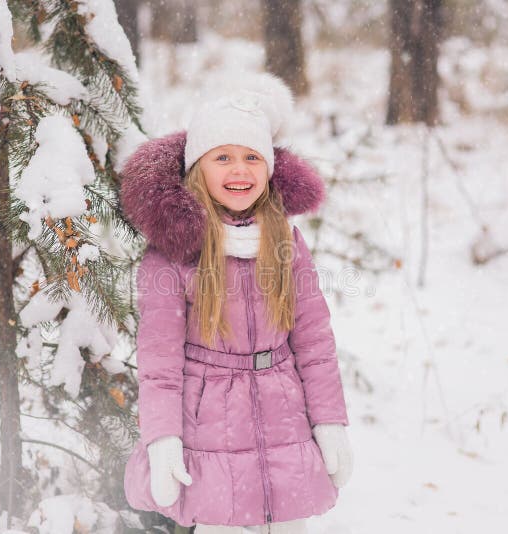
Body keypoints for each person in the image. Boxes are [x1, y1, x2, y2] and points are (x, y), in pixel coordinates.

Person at [119, 73, 353, 534]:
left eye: (251, 157)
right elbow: (160, 362)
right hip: (210, 429)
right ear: (197, 167)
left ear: (269, 167)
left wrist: (329, 422)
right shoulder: (174, 250)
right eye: (222, 157)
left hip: (284, 422)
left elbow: (314, 342)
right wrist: (162, 439)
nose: (239, 170)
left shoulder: (284, 240)